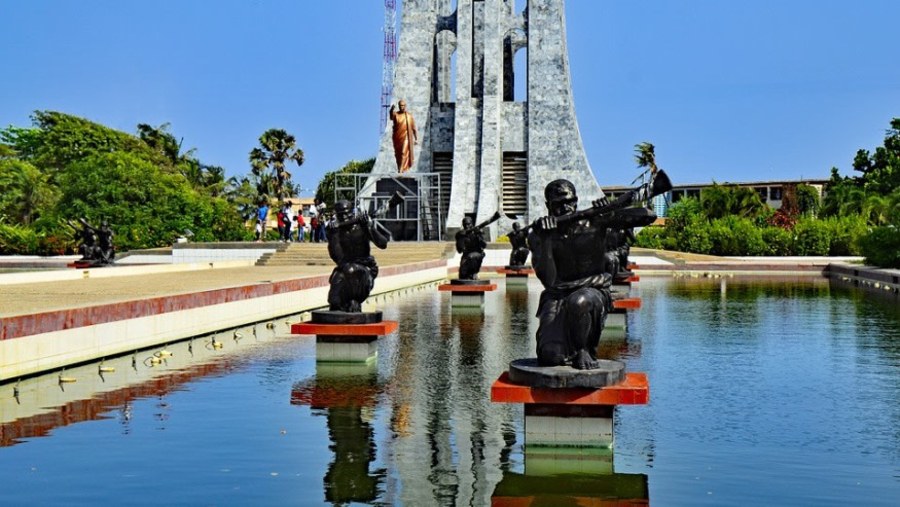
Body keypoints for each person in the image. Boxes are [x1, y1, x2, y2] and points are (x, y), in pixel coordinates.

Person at [528, 179, 654, 370]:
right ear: (548, 205)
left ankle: (583, 349)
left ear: (576, 201)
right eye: (558, 204)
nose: (566, 208)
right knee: (549, 356)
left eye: (569, 201)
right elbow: (549, 281)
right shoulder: (538, 234)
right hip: (558, 293)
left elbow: (647, 215)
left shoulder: (595, 222)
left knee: (579, 301)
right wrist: (546, 240)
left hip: (591, 289)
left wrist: (610, 213)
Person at [325, 200, 391, 312]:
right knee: (334, 299)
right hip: (345, 268)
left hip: (366, 270)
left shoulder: (362, 226)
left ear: (352, 212)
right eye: (341, 215)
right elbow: (338, 259)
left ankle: (354, 300)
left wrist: (368, 227)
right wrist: (334, 236)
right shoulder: (336, 231)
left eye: (347, 213)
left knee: (350, 269)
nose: (345, 217)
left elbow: (383, 244)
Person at [389, 99, 418, 173]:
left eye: (403, 105)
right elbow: (391, 116)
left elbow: (414, 128)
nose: (402, 107)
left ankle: (400, 170)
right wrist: (392, 109)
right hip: (397, 138)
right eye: (400, 105)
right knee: (398, 155)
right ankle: (400, 168)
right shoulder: (396, 114)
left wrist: (416, 138)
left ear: (405, 106)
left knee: (403, 152)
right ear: (398, 106)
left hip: (406, 137)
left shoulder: (409, 116)